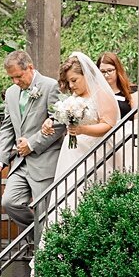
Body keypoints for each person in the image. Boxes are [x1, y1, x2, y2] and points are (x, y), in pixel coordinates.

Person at [0, 49, 62, 235]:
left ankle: (44, 252)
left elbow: (59, 122)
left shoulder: (50, 86)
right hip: (20, 163)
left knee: (46, 212)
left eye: (18, 76)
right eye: (11, 78)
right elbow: (7, 128)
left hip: (45, 160)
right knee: (9, 202)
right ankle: (38, 237)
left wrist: (32, 144)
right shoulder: (11, 93)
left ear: (30, 67)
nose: (15, 82)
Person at [41, 50, 121, 220]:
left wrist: (83, 130)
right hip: (71, 153)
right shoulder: (74, 97)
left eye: (74, 80)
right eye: (69, 82)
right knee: (66, 191)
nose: (71, 86)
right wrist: (51, 120)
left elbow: (108, 124)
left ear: (86, 75)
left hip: (94, 152)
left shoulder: (102, 94)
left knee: (85, 192)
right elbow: (63, 116)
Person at [98, 50, 138, 172]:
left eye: (110, 70)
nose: (106, 75)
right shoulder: (98, 93)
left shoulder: (131, 92)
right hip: (105, 139)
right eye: (102, 72)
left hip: (126, 139)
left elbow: (136, 117)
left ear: (117, 70)